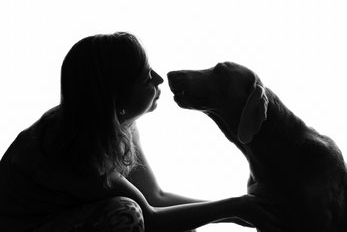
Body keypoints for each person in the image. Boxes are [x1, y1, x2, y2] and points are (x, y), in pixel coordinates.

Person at [0, 32, 278, 232]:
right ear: (117, 97)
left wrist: (237, 212)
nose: (159, 79)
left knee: (185, 221)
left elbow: (155, 197)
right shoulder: (73, 149)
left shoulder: (112, 124)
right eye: (146, 76)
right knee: (126, 213)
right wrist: (235, 207)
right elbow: (151, 216)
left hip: (66, 217)